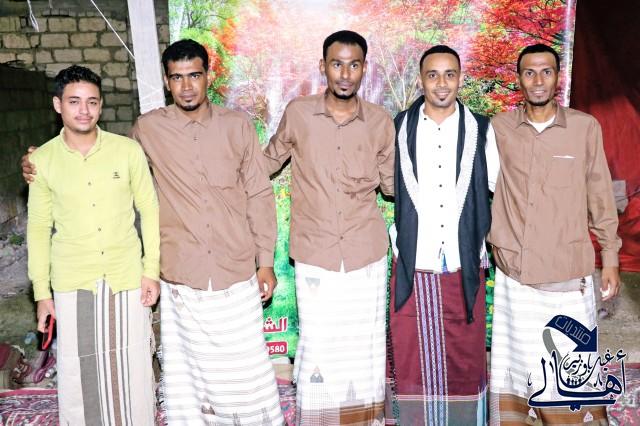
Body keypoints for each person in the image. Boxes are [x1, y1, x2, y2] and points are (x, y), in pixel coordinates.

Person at [24, 40, 284, 425]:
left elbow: (259, 193)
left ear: (208, 76)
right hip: (182, 273)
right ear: (166, 81)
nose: (187, 86)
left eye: (194, 75)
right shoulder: (147, 130)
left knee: (247, 369)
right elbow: (98, 158)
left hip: (236, 267)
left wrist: (265, 261)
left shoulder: (237, 126)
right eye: (177, 78)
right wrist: (38, 160)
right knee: (189, 377)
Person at [262, 30, 395, 423]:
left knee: (362, 345)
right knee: (320, 343)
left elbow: (393, 186)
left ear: (364, 69)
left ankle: (364, 417)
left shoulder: (380, 121)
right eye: (337, 64)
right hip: (315, 251)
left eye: (353, 65)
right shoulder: (299, 113)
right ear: (323, 67)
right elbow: (265, 163)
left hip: (365, 253)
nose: (345, 74)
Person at [488, 43, 621, 425]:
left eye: (546, 71)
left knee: (571, 367)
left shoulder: (583, 128)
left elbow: (599, 194)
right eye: (529, 72)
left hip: (566, 270)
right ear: (518, 79)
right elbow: (491, 186)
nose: (538, 80)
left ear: (557, 77)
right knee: (521, 363)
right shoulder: (500, 128)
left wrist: (610, 257)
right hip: (517, 273)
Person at [27, 65, 160, 425]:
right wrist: (42, 293)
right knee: (79, 372)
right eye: (74, 102)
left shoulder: (127, 151)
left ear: (101, 106)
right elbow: (38, 228)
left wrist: (151, 270)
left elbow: (149, 209)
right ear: (58, 105)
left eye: (92, 102)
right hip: (73, 279)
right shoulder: (42, 161)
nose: (84, 110)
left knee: (131, 367)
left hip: (126, 276)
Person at [387, 45, 499, 425]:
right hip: (415, 259)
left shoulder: (481, 129)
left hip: (462, 257)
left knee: (464, 354)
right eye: (433, 75)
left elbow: (501, 188)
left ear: (460, 79)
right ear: (421, 79)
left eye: (450, 74)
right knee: (412, 353)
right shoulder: (399, 127)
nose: (441, 83)